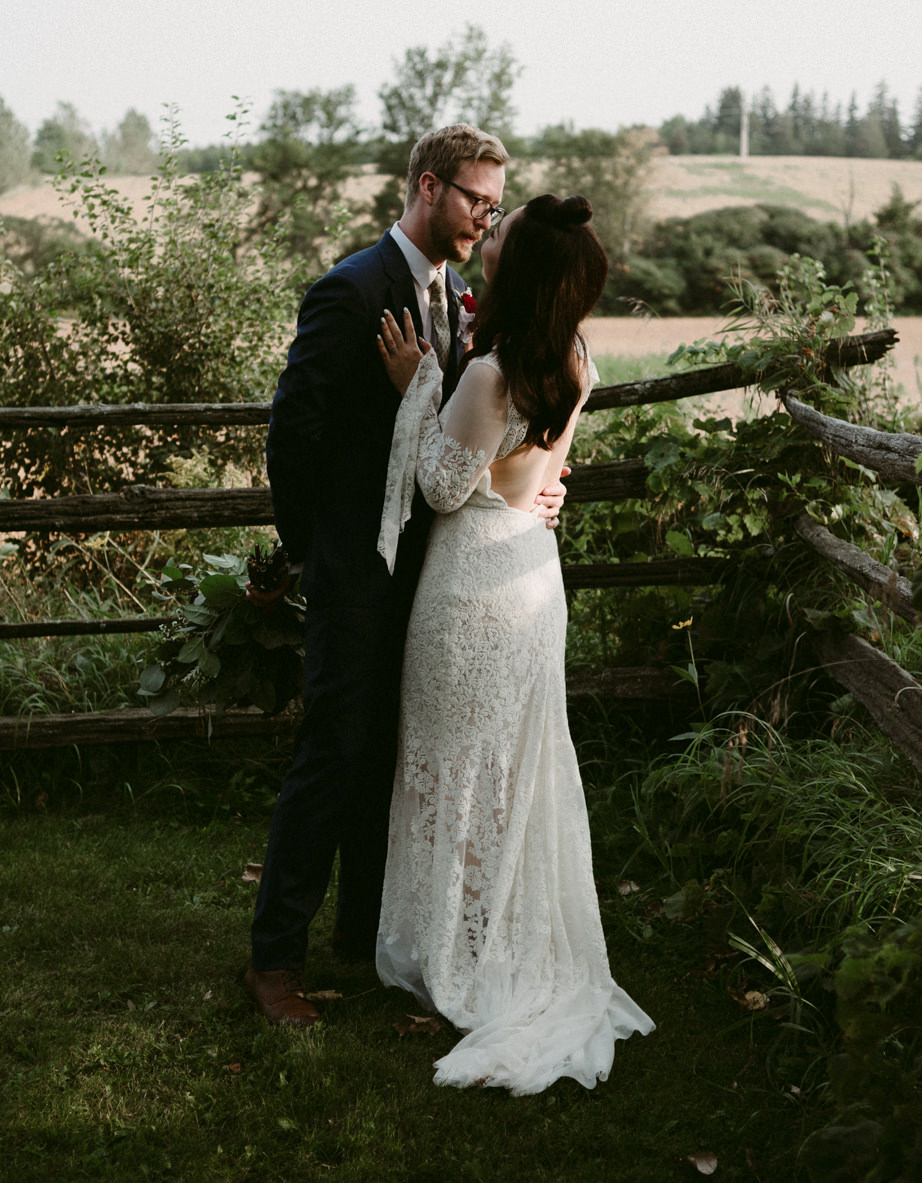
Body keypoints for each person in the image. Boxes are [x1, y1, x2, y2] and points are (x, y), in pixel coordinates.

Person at [248, 124, 567, 1027]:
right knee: (333, 753)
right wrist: (316, 554)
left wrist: (540, 487)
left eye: (494, 205)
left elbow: (476, 433)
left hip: (437, 575)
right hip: (357, 570)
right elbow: (292, 433)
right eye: (475, 199)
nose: (484, 217)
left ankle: (364, 936)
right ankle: (274, 963)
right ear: (429, 188)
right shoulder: (350, 291)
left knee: (391, 757)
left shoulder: (460, 297)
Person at [369, 192, 653, 1094]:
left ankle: (456, 949)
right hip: (532, 573)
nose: (485, 246)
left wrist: (415, 387)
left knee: (456, 760)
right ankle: (493, 931)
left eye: (502, 243)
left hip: (469, 588)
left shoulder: (491, 373)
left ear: (518, 271)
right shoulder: (577, 358)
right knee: (511, 766)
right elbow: (538, 474)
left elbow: (444, 487)